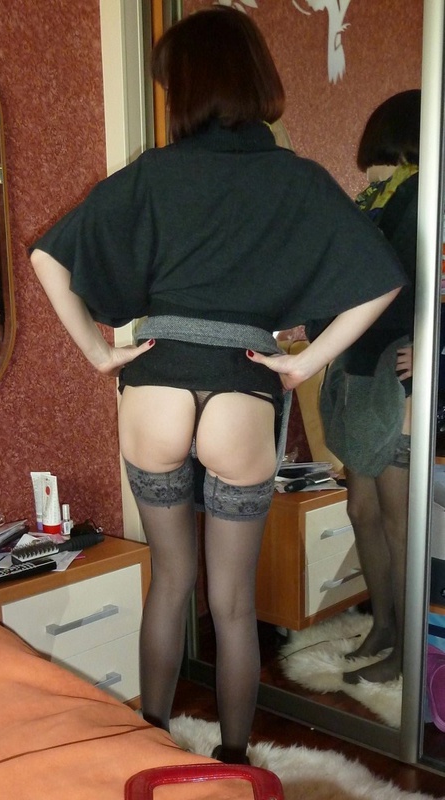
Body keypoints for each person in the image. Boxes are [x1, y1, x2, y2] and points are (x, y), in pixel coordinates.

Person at [29, 6, 406, 763]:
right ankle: (234, 763)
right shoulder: (297, 178)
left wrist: (100, 354)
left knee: (171, 581)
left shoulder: (153, 171)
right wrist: (303, 363)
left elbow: (47, 258)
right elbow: (381, 280)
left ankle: (151, 748)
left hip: (156, 388)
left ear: (185, 88)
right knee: (232, 605)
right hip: (241, 389)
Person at [313, 90, 420, 685]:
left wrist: (430, 345)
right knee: (361, 508)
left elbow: (413, 281)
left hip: (392, 370)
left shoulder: (421, 193)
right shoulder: (375, 198)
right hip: (356, 366)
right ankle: (383, 625)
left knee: (399, 521)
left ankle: (408, 647)